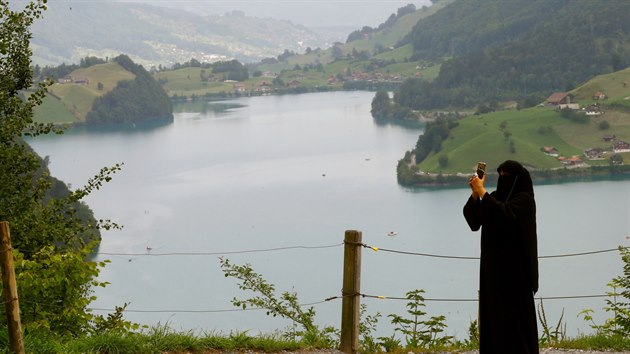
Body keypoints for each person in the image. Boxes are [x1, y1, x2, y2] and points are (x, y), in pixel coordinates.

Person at [463, 160, 539, 354]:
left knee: (516, 320)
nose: (502, 179)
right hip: (493, 270)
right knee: (495, 317)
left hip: (517, 272)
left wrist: (483, 193)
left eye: (506, 175)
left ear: (517, 178)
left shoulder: (524, 200)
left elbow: (505, 217)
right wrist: (475, 193)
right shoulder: (495, 198)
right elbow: (474, 221)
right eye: (500, 174)